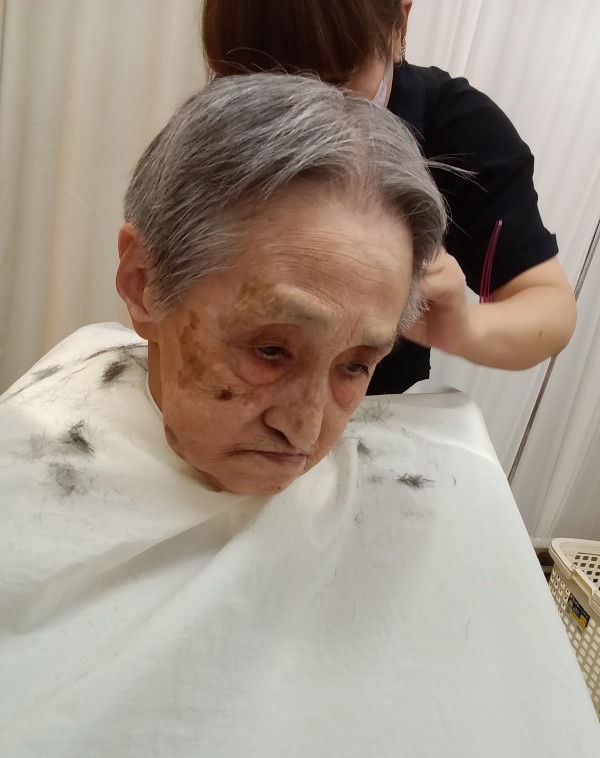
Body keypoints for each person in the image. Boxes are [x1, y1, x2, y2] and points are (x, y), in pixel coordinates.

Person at [202, 0, 577, 393]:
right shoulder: (219, 116)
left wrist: (462, 328)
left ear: (400, 23)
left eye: (335, 83)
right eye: (256, 86)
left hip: (370, 402)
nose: (296, 119)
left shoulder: (460, 131)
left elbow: (549, 307)